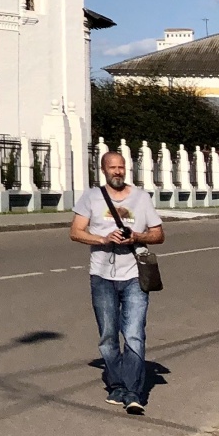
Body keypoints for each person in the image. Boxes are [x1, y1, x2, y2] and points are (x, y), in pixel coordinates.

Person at [70, 150, 164, 415]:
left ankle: (134, 392)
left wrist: (136, 236)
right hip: (101, 276)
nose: (118, 171)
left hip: (134, 276)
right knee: (108, 336)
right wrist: (103, 239)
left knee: (134, 333)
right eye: (112, 167)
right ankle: (117, 385)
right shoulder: (91, 197)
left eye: (121, 167)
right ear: (104, 170)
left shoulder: (141, 198)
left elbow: (158, 234)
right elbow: (75, 232)